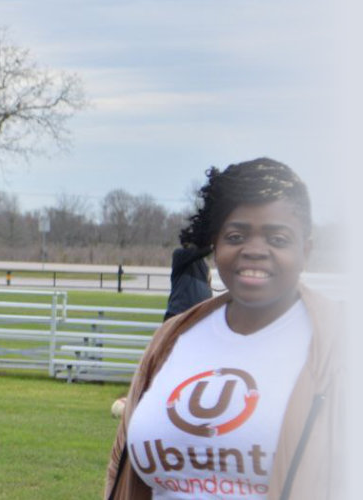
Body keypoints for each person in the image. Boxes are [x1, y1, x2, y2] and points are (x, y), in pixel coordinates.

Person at [105, 158, 340, 500]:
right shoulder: (172, 338)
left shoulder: (339, 347)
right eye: (236, 235)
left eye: (277, 237)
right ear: (215, 244)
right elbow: (120, 468)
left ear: (306, 249)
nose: (255, 250)